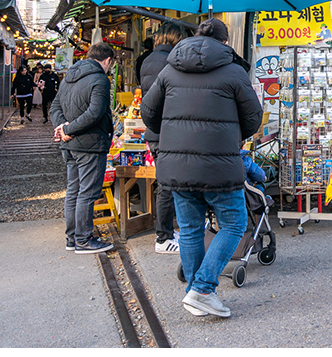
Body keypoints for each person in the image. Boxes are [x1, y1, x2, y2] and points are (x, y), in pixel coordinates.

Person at [141, 18, 262, 319]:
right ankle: (203, 289)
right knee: (234, 223)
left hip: (177, 165)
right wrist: (234, 134)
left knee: (191, 229)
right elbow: (253, 119)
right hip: (220, 164)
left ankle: (193, 293)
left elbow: (148, 113)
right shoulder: (234, 71)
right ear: (224, 43)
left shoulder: (170, 68)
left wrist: (170, 134)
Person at [51, 43, 116, 255]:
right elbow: (95, 112)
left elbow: (55, 107)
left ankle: (71, 238)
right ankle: (84, 239)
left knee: (73, 191)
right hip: (89, 143)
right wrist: (68, 128)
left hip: (69, 144)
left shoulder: (69, 76)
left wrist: (63, 129)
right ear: (107, 61)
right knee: (87, 193)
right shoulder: (100, 79)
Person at [139, 20, 188, 254]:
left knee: (167, 182)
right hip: (168, 131)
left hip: (155, 131)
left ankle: (167, 231)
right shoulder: (169, 62)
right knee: (168, 185)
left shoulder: (148, 60)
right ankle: (163, 238)